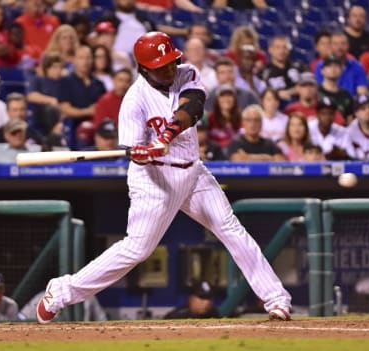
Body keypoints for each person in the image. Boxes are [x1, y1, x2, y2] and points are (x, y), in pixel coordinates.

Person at [36, 31, 292, 324]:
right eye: (162, 66)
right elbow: (134, 153)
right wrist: (145, 152)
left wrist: (167, 133)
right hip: (154, 179)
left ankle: (276, 299)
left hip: (193, 173)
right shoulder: (133, 101)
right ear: (144, 69)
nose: (170, 69)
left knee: (230, 228)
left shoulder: (186, 73)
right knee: (137, 250)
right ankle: (62, 290)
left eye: (171, 62)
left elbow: (193, 107)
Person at [314, 31, 369, 96]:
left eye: (343, 44)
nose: (339, 47)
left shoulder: (357, 66)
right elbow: (320, 92)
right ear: (330, 46)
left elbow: (362, 93)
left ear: (348, 46)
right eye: (335, 44)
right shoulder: (321, 66)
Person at [318, 55, 354, 124]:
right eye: (329, 66)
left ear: (341, 71)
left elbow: (349, 120)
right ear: (322, 71)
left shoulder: (346, 95)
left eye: (336, 66)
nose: (333, 69)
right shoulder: (316, 93)